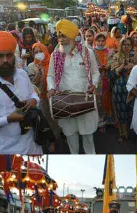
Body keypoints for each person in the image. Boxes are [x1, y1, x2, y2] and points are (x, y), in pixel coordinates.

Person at [47, 19, 100, 154]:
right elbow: (50, 76)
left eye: (64, 36)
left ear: (72, 37)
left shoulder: (88, 53)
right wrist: (51, 88)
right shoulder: (55, 55)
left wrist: (94, 84)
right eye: (59, 36)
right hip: (65, 101)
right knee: (71, 138)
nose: (61, 39)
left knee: (88, 137)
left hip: (85, 99)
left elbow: (95, 73)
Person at [0, 31, 42, 154]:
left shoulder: (22, 74)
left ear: (14, 56)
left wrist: (33, 100)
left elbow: (33, 93)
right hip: (6, 150)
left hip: (32, 145)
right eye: (0, 56)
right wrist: (8, 119)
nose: (5, 60)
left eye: (9, 55)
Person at [109, 37, 137, 141]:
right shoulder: (115, 56)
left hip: (133, 87)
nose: (126, 47)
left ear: (132, 45)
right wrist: (122, 66)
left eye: (128, 44)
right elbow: (111, 74)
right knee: (121, 110)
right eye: (124, 44)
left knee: (133, 109)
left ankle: (135, 131)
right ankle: (123, 133)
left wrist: (134, 66)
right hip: (119, 87)